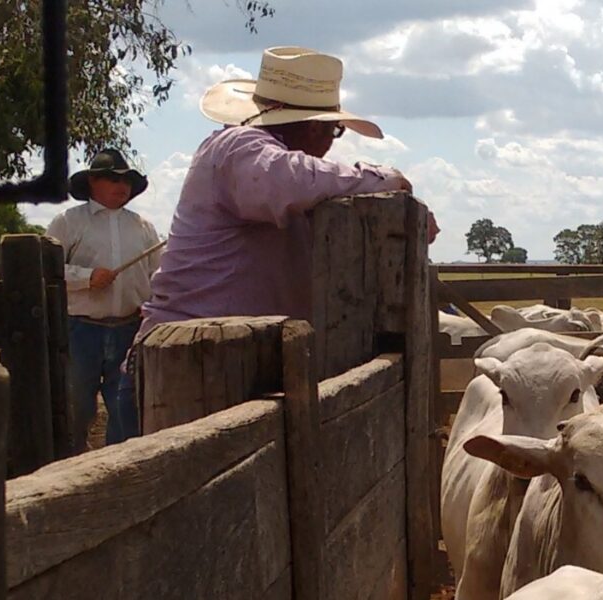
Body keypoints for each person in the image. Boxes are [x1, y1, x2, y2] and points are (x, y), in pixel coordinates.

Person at [140, 45, 437, 338]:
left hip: (225, 349)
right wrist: (386, 181)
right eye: (335, 130)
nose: (331, 144)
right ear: (315, 129)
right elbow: (290, 179)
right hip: (191, 353)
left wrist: (404, 215)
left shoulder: (290, 181)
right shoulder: (240, 145)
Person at [46, 149, 162, 447]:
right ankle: (69, 469)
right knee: (75, 408)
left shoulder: (143, 227)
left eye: (127, 181)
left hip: (129, 329)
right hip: (80, 330)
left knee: (126, 411)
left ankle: (116, 473)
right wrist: (86, 278)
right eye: (112, 178)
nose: (122, 186)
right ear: (93, 182)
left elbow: (158, 276)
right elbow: (45, 268)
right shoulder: (67, 222)